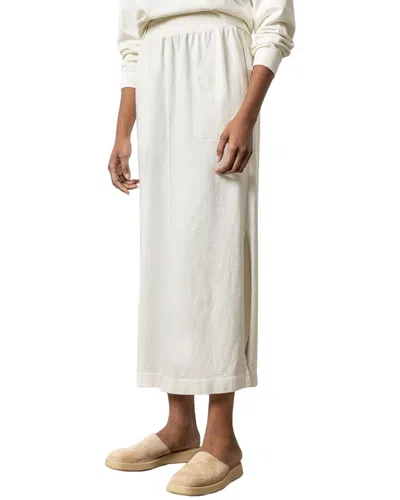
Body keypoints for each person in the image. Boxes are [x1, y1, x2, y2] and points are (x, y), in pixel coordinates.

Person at [106, 0, 295, 495]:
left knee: (217, 249)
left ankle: (221, 440)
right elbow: (132, 43)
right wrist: (123, 130)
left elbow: (273, 23)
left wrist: (246, 115)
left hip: (220, 69)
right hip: (157, 82)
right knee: (168, 259)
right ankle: (179, 428)